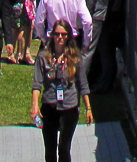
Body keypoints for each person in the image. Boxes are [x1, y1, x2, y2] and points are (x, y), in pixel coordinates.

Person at [32, 18, 94, 162]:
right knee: (50, 148)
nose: (60, 37)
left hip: (69, 107)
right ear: (52, 36)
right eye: (57, 34)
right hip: (49, 106)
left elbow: (82, 84)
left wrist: (88, 108)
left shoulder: (75, 57)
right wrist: (35, 105)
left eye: (63, 34)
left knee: (64, 148)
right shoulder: (43, 57)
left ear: (68, 37)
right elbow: (37, 83)